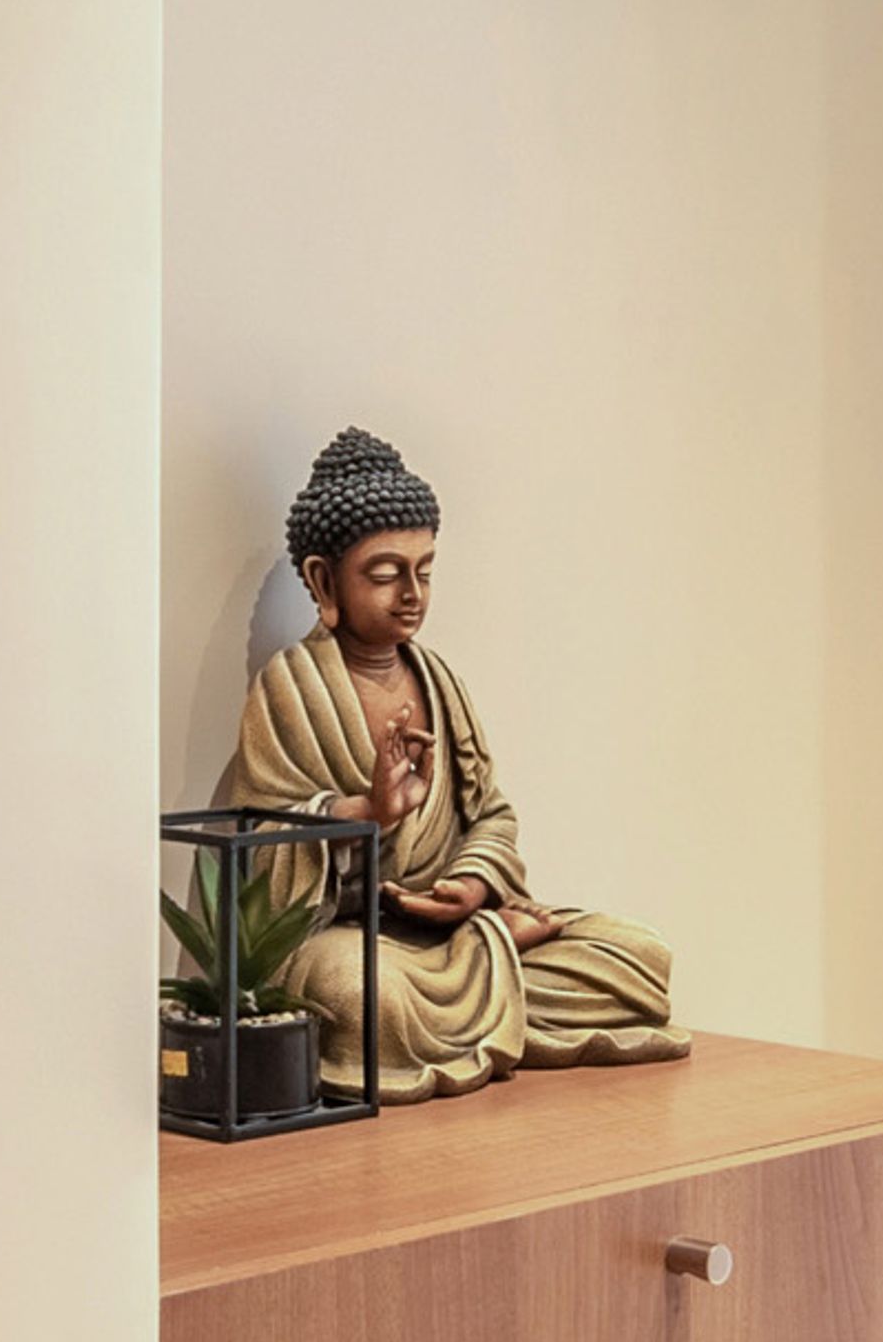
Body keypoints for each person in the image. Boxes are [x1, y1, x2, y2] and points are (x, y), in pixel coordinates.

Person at [230, 425, 685, 1098]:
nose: (412, 593)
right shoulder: (290, 688)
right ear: (324, 582)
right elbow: (261, 856)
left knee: (638, 953)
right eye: (385, 575)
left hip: (448, 933)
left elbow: (491, 814)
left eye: (425, 571)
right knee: (358, 997)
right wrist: (369, 812)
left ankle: (488, 959)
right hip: (355, 941)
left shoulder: (439, 680)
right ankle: (495, 958)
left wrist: (471, 889)